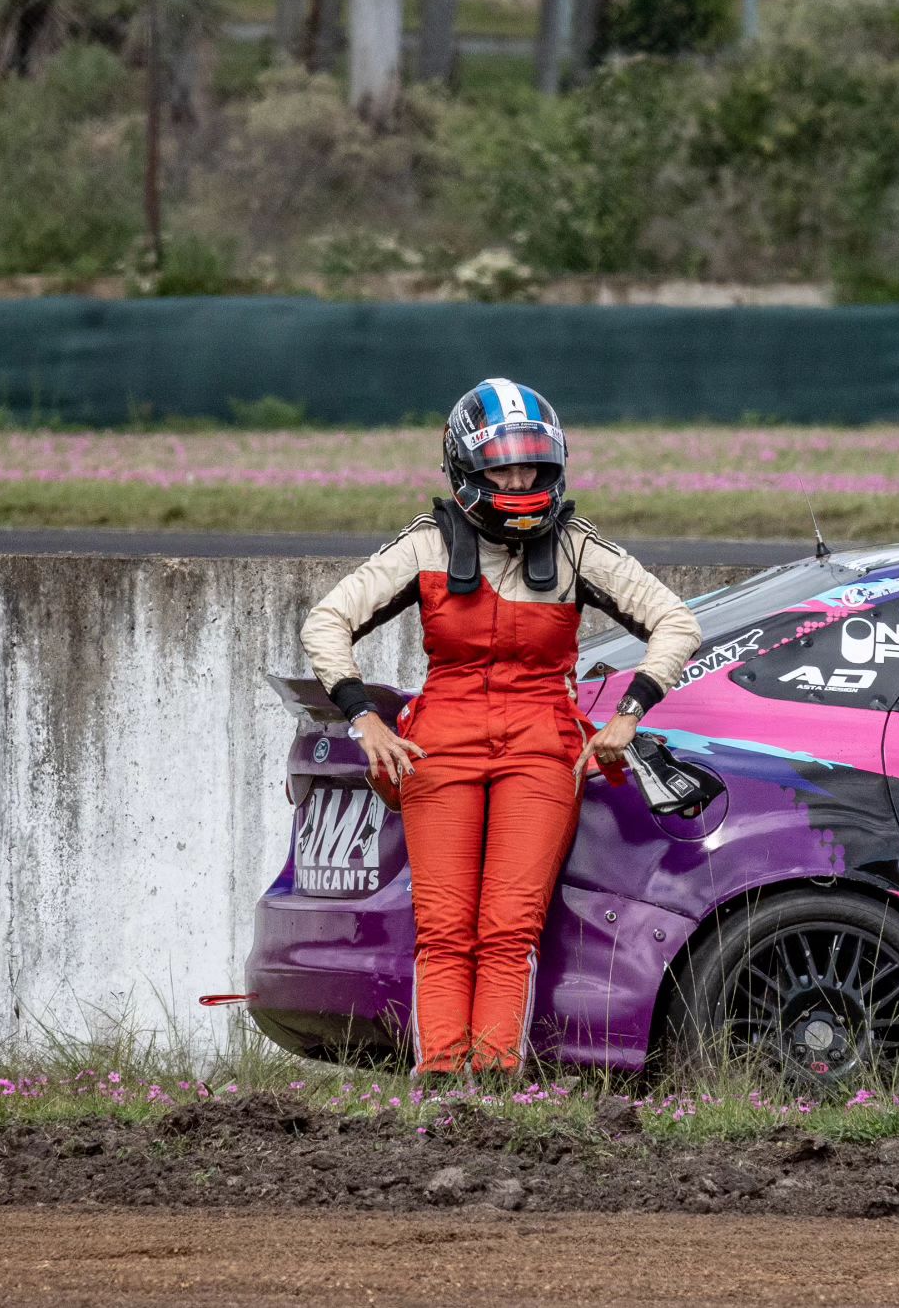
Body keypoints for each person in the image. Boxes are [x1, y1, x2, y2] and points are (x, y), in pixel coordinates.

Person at [300, 378, 701, 1077]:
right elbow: (325, 621)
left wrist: (629, 713)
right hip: (439, 744)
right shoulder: (426, 545)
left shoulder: (576, 548)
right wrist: (364, 719)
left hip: (543, 746)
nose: (519, 483)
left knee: (511, 927)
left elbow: (678, 621)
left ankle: (493, 1083)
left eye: (533, 468)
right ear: (465, 469)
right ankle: (440, 1079)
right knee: (444, 927)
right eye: (503, 469)